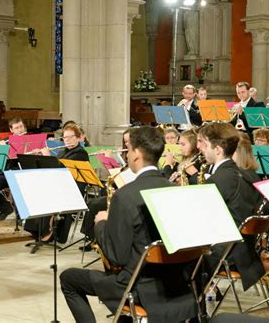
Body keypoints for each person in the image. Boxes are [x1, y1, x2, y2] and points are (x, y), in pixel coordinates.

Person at [60, 126, 198, 323]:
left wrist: (101, 224)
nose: (127, 154)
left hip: (138, 286)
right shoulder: (175, 189)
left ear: (137, 154)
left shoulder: (125, 195)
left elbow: (116, 256)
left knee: (68, 279)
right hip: (175, 283)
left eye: (129, 148)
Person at [197, 123, 265, 291]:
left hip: (226, 253)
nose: (199, 148)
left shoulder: (219, 179)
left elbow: (198, 220)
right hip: (245, 252)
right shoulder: (244, 174)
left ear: (218, 150)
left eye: (204, 144)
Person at [0, 117, 26, 220]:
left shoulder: (31, 141)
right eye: (16, 128)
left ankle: (21, 217)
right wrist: (1, 150)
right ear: (11, 130)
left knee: (16, 185)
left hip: (24, 173)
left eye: (21, 126)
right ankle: (6, 207)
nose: (20, 130)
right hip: (7, 172)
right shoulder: (5, 141)